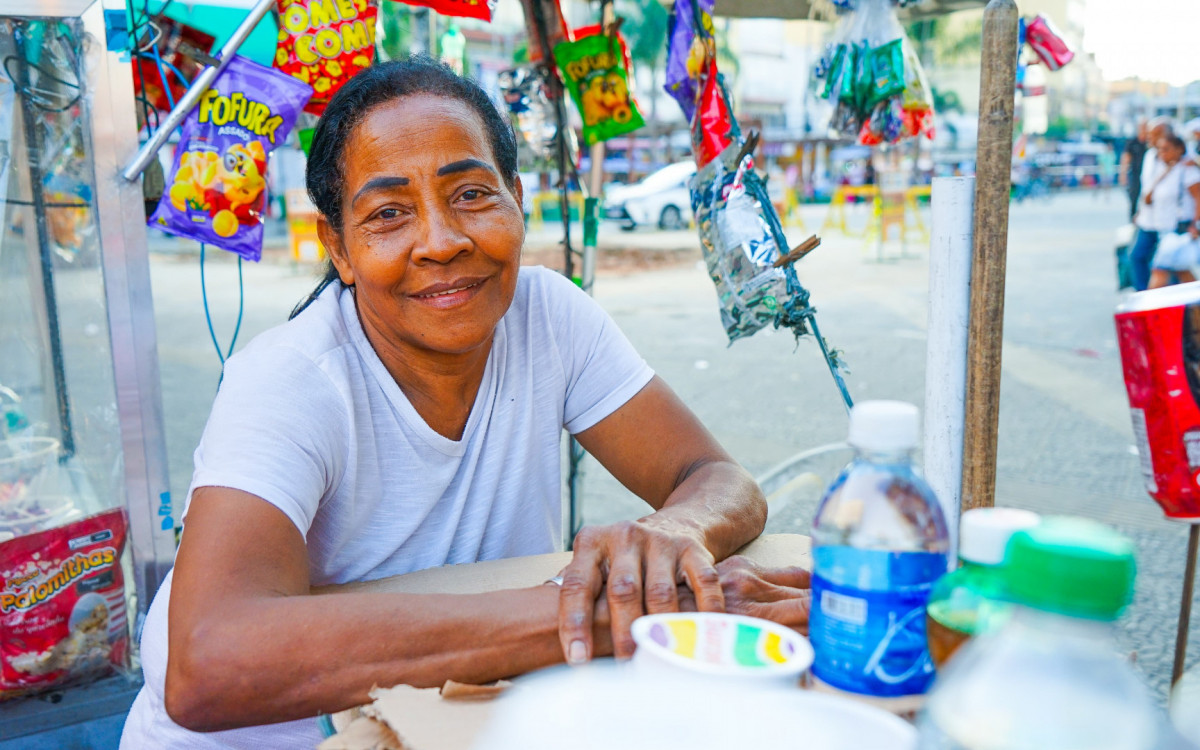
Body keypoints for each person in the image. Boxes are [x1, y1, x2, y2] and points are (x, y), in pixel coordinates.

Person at [119, 58, 810, 749]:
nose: (443, 242)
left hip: (451, 723)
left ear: (517, 198)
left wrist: (675, 537)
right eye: (389, 214)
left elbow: (720, 481)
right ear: (339, 248)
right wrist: (614, 613)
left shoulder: (550, 317)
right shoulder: (290, 380)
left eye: (472, 195)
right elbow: (209, 661)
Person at [1129, 119, 1179, 290]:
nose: (1149, 138)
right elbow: (1146, 189)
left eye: (1154, 134)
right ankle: (1144, 298)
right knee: (1137, 257)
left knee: (1168, 266)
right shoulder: (1150, 155)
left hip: (1170, 221)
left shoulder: (1180, 158)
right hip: (1148, 219)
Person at [1146, 133, 1200, 289]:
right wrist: (1164, 173)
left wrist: (1195, 224)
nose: (1162, 153)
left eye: (1166, 149)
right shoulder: (1164, 169)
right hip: (1165, 230)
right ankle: (1197, 312)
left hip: (1179, 231)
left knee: (1159, 271)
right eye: (1160, 150)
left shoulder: (1188, 170)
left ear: (1179, 149)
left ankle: (1150, 310)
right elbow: (1148, 199)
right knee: (1184, 275)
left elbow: (1198, 198)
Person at [1121, 119, 1150, 221]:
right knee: (1134, 197)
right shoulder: (1132, 142)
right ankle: (1132, 219)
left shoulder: (1150, 142)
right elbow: (1125, 158)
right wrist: (1123, 174)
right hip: (1135, 174)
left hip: (1149, 174)